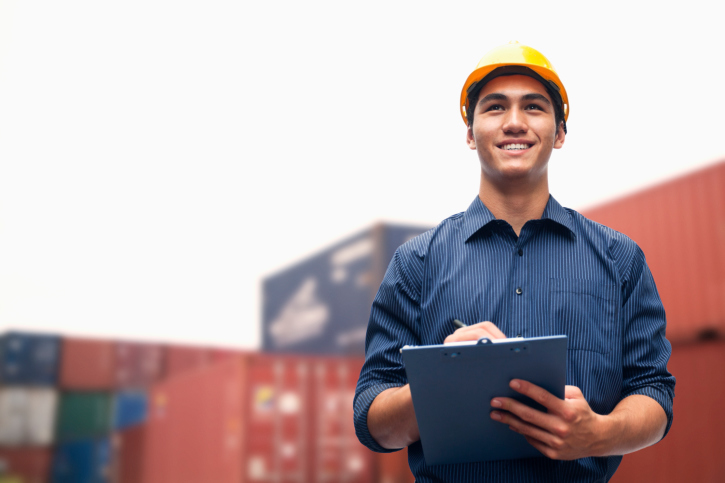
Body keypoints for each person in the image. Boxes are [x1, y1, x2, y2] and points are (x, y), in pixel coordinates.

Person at [353, 42, 675, 482]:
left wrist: (598, 434)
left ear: (560, 133)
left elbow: (653, 392)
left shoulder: (621, 260)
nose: (515, 122)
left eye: (534, 107)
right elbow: (372, 418)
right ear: (470, 133)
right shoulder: (417, 263)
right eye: (495, 107)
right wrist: (437, 382)